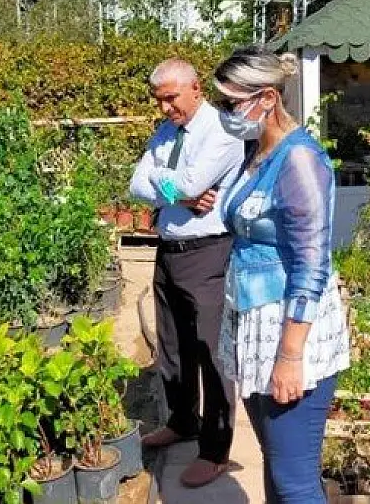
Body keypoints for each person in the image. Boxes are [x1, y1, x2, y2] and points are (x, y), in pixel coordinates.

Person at [213, 47, 350, 504]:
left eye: (230, 103)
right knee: (276, 466)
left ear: (267, 98)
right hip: (255, 322)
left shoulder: (300, 160)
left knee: (295, 484)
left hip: (290, 331)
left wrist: (290, 357)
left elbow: (312, 265)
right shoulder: (257, 151)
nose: (223, 113)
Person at [129, 58, 245, 488]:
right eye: (159, 101)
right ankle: (183, 421)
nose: (164, 109)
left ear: (195, 88)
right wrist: (178, 195)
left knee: (212, 352)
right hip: (169, 249)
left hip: (208, 252)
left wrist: (169, 189)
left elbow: (195, 183)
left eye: (170, 99)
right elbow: (135, 185)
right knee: (172, 343)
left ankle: (215, 449)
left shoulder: (223, 131)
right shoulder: (165, 133)